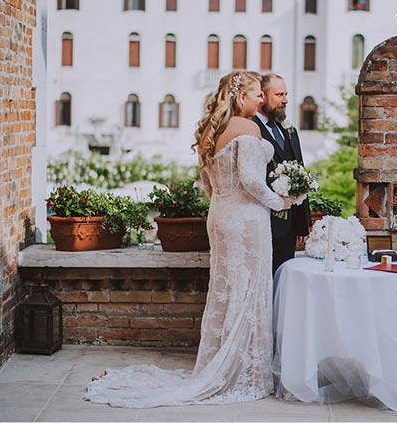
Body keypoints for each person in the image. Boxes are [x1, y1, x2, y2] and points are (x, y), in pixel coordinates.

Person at [84, 71, 294, 407]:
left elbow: (208, 186)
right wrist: (282, 201)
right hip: (247, 220)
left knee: (227, 289)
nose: (260, 101)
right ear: (242, 97)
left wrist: (228, 201)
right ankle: (245, 373)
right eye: (257, 95)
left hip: (221, 215)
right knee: (250, 289)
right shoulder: (249, 127)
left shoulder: (210, 129)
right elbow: (253, 182)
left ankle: (221, 364)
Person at [251, 74, 311, 273]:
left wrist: (303, 224)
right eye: (278, 94)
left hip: (289, 228)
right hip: (263, 223)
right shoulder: (251, 128)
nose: (285, 100)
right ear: (262, 97)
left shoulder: (288, 130)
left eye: (286, 94)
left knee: (282, 281)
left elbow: (301, 173)